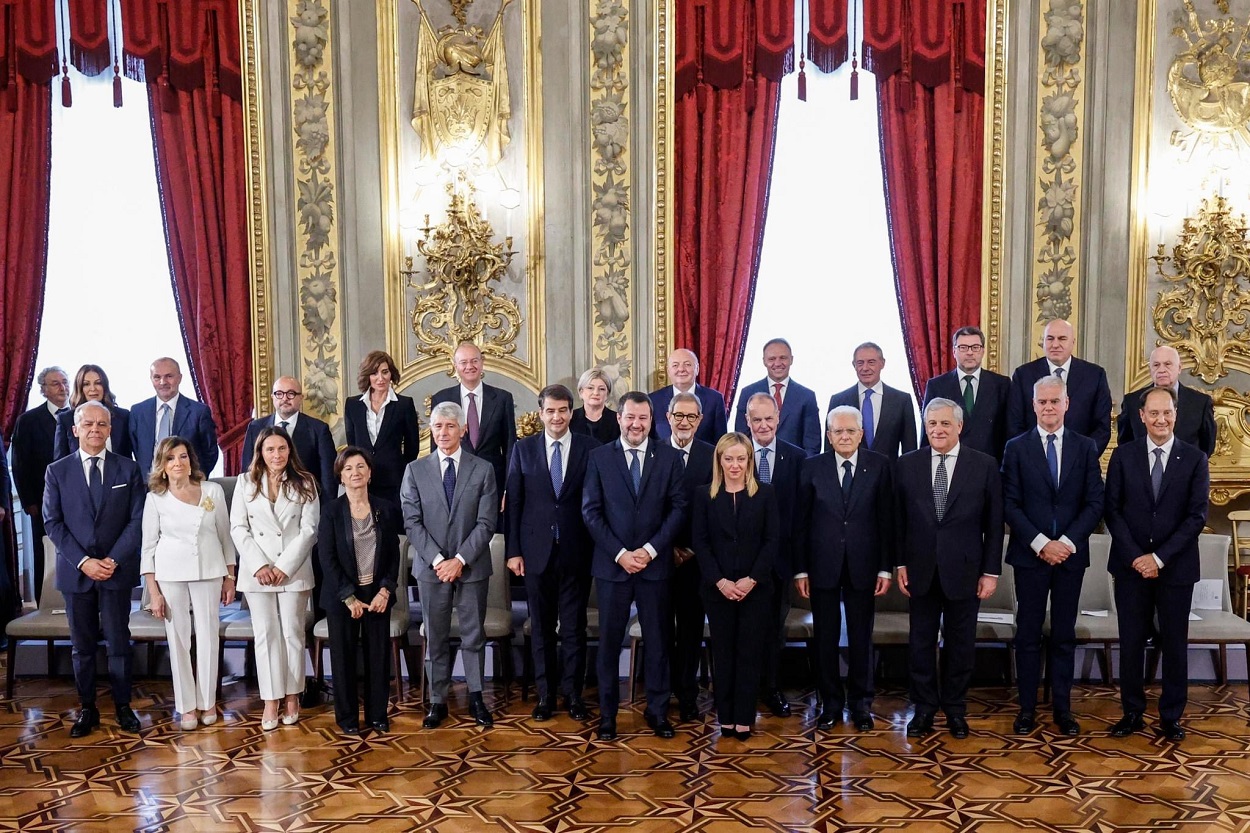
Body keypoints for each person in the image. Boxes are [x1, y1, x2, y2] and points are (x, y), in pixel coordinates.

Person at [1105, 386, 1209, 742]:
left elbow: (1196, 518)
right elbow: (1113, 511)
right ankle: (1132, 712)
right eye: (1153, 413)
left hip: (1175, 569)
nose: (1160, 419)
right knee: (1131, 643)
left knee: (1174, 643)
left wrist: (1159, 558)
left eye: (1166, 413)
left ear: (1175, 415)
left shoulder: (1195, 459)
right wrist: (1138, 556)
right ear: (1142, 416)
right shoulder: (1123, 456)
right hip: (1130, 567)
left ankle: (1170, 716)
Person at [1001, 377, 1104, 736]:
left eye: (1054, 401)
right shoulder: (1015, 448)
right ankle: (1026, 709)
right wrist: (1042, 542)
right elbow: (1009, 504)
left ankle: (1063, 708)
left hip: (1070, 558)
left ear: (1067, 404)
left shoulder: (1086, 447)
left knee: (1063, 635)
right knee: (1027, 634)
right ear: (1033, 406)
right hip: (1031, 557)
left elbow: (1095, 503)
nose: (1048, 407)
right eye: (1042, 401)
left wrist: (1067, 542)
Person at [894, 398, 1003, 739]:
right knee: (921, 643)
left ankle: (955, 709)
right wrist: (899, 562)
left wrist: (991, 572)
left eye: (944, 424)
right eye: (932, 424)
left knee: (961, 644)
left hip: (966, 571)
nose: (937, 430)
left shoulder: (983, 465)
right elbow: (897, 521)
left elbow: (995, 523)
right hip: (920, 569)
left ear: (959, 426)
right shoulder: (906, 464)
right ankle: (924, 708)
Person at [582, 391, 688, 740]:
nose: (636, 424)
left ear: (651, 420)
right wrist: (621, 554)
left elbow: (678, 509)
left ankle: (657, 712)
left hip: (655, 567)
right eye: (630, 417)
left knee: (658, 642)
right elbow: (591, 512)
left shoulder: (670, 458)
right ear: (619, 418)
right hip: (612, 567)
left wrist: (649, 550)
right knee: (609, 643)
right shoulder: (598, 458)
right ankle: (608, 715)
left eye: (643, 418)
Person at [42, 402, 145, 737]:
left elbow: (136, 521)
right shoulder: (56, 471)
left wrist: (112, 560)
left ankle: (123, 707)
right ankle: (87, 708)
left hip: (117, 571)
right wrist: (85, 562)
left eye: (102, 424)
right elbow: (52, 523)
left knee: (119, 643)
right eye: (88, 424)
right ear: (75, 429)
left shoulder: (128, 469)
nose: (95, 430)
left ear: (110, 429)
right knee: (82, 647)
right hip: (76, 573)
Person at [794, 406, 893, 732]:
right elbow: (801, 523)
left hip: (864, 566)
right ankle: (831, 704)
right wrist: (801, 570)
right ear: (829, 435)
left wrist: (885, 568)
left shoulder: (879, 466)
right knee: (825, 638)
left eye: (851, 431)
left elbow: (885, 520)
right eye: (838, 431)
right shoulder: (812, 467)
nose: (845, 436)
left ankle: (861, 705)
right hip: (822, 566)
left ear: (861, 433)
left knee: (861, 637)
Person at [402, 401, 499, 729]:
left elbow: (487, 523)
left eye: (450, 426)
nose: (443, 433)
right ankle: (437, 701)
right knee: (436, 636)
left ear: (463, 429)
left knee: (473, 636)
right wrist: (440, 560)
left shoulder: (482, 469)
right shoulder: (415, 471)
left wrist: (459, 560)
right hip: (431, 569)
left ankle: (475, 696)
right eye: (438, 427)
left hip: (471, 568)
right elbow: (412, 523)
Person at [505, 385, 596, 721]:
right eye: (550, 411)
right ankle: (545, 696)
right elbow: (513, 503)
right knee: (541, 628)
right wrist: (513, 550)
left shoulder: (590, 448)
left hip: (577, 550)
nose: (556, 417)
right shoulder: (523, 449)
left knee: (573, 627)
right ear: (540, 413)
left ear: (571, 412)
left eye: (563, 410)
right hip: (534, 551)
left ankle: (573, 695)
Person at [140, 437, 235, 730]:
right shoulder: (156, 497)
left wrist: (229, 577)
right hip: (170, 575)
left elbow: (225, 536)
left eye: (183, 456)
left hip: (209, 570)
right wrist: (153, 592)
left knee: (207, 636)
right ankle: (187, 707)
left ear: (191, 460)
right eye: (171, 459)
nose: (178, 463)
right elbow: (148, 547)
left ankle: (207, 702)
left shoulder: (213, 491)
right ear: (162, 466)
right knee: (179, 640)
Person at [230, 427, 320, 730]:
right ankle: (270, 701)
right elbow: (238, 528)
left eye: (282, 448)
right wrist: (260, 566)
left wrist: (284, 566)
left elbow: (310, 530)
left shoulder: (305, 482)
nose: (276, 455)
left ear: (289, 451)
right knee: (265, 635)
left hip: (292, 571)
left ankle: (293, 696)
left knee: (292, 634)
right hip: (258, 572)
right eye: (270, 449)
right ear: (261, 452)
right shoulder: (245, 482)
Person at [692, 433, 778, 739]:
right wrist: (721, 581)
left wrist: (751, 579)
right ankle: (725, 717)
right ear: (719, 460)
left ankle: (744, 717)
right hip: (717, 590)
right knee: (724, 654)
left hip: (756, 589)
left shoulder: (765, 494)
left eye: (741, 458)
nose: (735, 465)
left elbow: (772, 541)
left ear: (750, 461)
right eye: (729, 458)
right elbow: (700, 543)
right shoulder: (704, 495)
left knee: (749, 653)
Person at [318, 447, 403, 735]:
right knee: (343, 658)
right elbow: (326, 557)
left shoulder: (386, 508)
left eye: (360, 467)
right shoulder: (331, 510)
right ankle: (347, 718)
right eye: (348, 468)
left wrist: (385, 590)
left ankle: (378, 714)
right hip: (342, 597)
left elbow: (394, 554)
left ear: (370, 472)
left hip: (377, 594)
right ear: (340, 476)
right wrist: (347, 596)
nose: (355, 473)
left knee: (377, 656)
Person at [740, 393, 804, 719]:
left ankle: (772, 688)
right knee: (745, 631)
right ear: (747, 421)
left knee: (773, 633)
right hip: (741, 565)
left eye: (769, 419)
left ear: (778, 419)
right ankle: (745, 690)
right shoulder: (734, 456)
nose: (763, 425)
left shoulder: (798, 458)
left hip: (779, 563)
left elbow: (801, 515)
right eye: (756, 419)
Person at [665, 392, 714, 722]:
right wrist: (664, 548)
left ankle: (687, 693)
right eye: (678, 416)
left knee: (692, 629)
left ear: (700, 420)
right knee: (662, 628)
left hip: (697, 560)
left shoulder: (713, 456)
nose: (684, 422)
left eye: (691, 417)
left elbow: (716, 510)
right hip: (660, 557)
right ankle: (661, 690)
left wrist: (693, 548)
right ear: (668, 416)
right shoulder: (653, 451)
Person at [1007, 318, 1112, 455]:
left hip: (1079, 464)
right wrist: (1032, 458)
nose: (1055, 344)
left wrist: (1083, 457)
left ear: (1073, 342)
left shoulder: (1095, 375)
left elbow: (1102, 427)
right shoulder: (1023, 375)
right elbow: (1015, 424)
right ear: (1043, 342)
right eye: (1050, 339)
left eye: (1062, 339)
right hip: (1033, 462)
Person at [429, 341, 516, 500]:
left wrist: (507, 489)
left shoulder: (502, 399)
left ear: (482, 363)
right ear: (456, 366)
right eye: (463, 362)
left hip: (493, 483)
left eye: (474, 361)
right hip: (454, 482)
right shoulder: (441, 398)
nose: (470, 366)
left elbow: (510, 446)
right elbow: (436, 448)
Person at [12, 366, 70, 597]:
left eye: (65, 382)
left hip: (79, 502)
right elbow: (20, 464)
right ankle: (44, 604)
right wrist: (29, 502)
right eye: (55, 383)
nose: (62, 388)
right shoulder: (28, 421)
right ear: (43, 389)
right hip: (43, 502)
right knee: (44, 553)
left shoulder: (81, 415)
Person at [343, 350, 421, 507]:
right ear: (367, 376)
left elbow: (413, 447)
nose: (380, 378)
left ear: (391, 374)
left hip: (394, 482)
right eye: (374, 373)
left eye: (385, 372)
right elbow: (352, 445)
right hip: (362, 481)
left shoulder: (404, 405)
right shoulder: (353, 405)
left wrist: (399, 470)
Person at [922, 326, 1012, 461]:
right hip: (947, 463)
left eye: (975, 347)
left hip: (989, 465)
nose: (969, 352)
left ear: (982, 351)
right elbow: (928, 431)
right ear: (954, 351)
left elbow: (1008, 430)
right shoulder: (937, 385)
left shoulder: (1001, 384)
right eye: (963, 347)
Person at [241, 376, 338, 498]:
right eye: (279, 394)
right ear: (272, 397)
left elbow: (328, 477)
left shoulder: (318, 429)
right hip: (264, 501)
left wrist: (325, 512)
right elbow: (247, 469)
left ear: (301, 398)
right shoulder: (256, 427)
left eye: (291, 394)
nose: (285, 398)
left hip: (306, 501)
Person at [1117, 345, 1216, 457]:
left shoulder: (1200, 403)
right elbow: (1125, 444)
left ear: (1179, 368)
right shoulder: (1132, 402)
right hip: (1142, 470)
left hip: (1185, 471)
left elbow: (1207, 446)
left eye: (1168, 364)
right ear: (1150, 369)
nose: (1162, 370)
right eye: (1156, 365)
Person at [130, 357, 220, 476]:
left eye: (169, 376)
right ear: (151, 379)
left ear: (179, 378)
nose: (163, 382)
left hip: (187, 485)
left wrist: (194, 479)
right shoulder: (138, 412)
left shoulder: (199, 412)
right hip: (148, 486)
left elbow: (210, 452)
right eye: (157, 377)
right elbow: (137, 450)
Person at [826, 343, 917, 459]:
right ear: (854, 365)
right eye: (860, 363)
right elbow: (829, 448)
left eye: (871, 362)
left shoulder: (902, 400)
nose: (865, 368)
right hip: (849, 475)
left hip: (890, 475)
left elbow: (910, 449)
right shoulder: (838, 400)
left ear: (882, 363)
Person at [733, 338, 821, 457]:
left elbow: (812, 444)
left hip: (794, 469)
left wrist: (804, 471)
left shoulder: (806, 396)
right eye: (772, 359)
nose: (778, 363)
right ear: (764, 361)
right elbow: (741, 437)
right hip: (756, 467)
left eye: (783, 358)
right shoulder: (747, 393)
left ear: (791, 359)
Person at [53, 364, 134, 461]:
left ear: (104, 386)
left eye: (98, 383)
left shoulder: (123, 416)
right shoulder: (66, 419)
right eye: (86, 384)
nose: (93, 388)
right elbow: (59, 463)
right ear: (80, 388)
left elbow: (128, 458)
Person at [649, 348, 727, 444]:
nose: (681, 369)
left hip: (703, 458)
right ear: (668, 371)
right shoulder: (653, 400)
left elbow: (721, 443)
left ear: (697, 369)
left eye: (687, 364)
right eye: (675, 365)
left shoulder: (714, 400)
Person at [570, 367, 621, 445]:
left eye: (601, 389)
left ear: (607, 394)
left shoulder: (618, 420)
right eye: (590, 388)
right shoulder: (570, 418)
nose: (596, 393)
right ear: (581, 392)